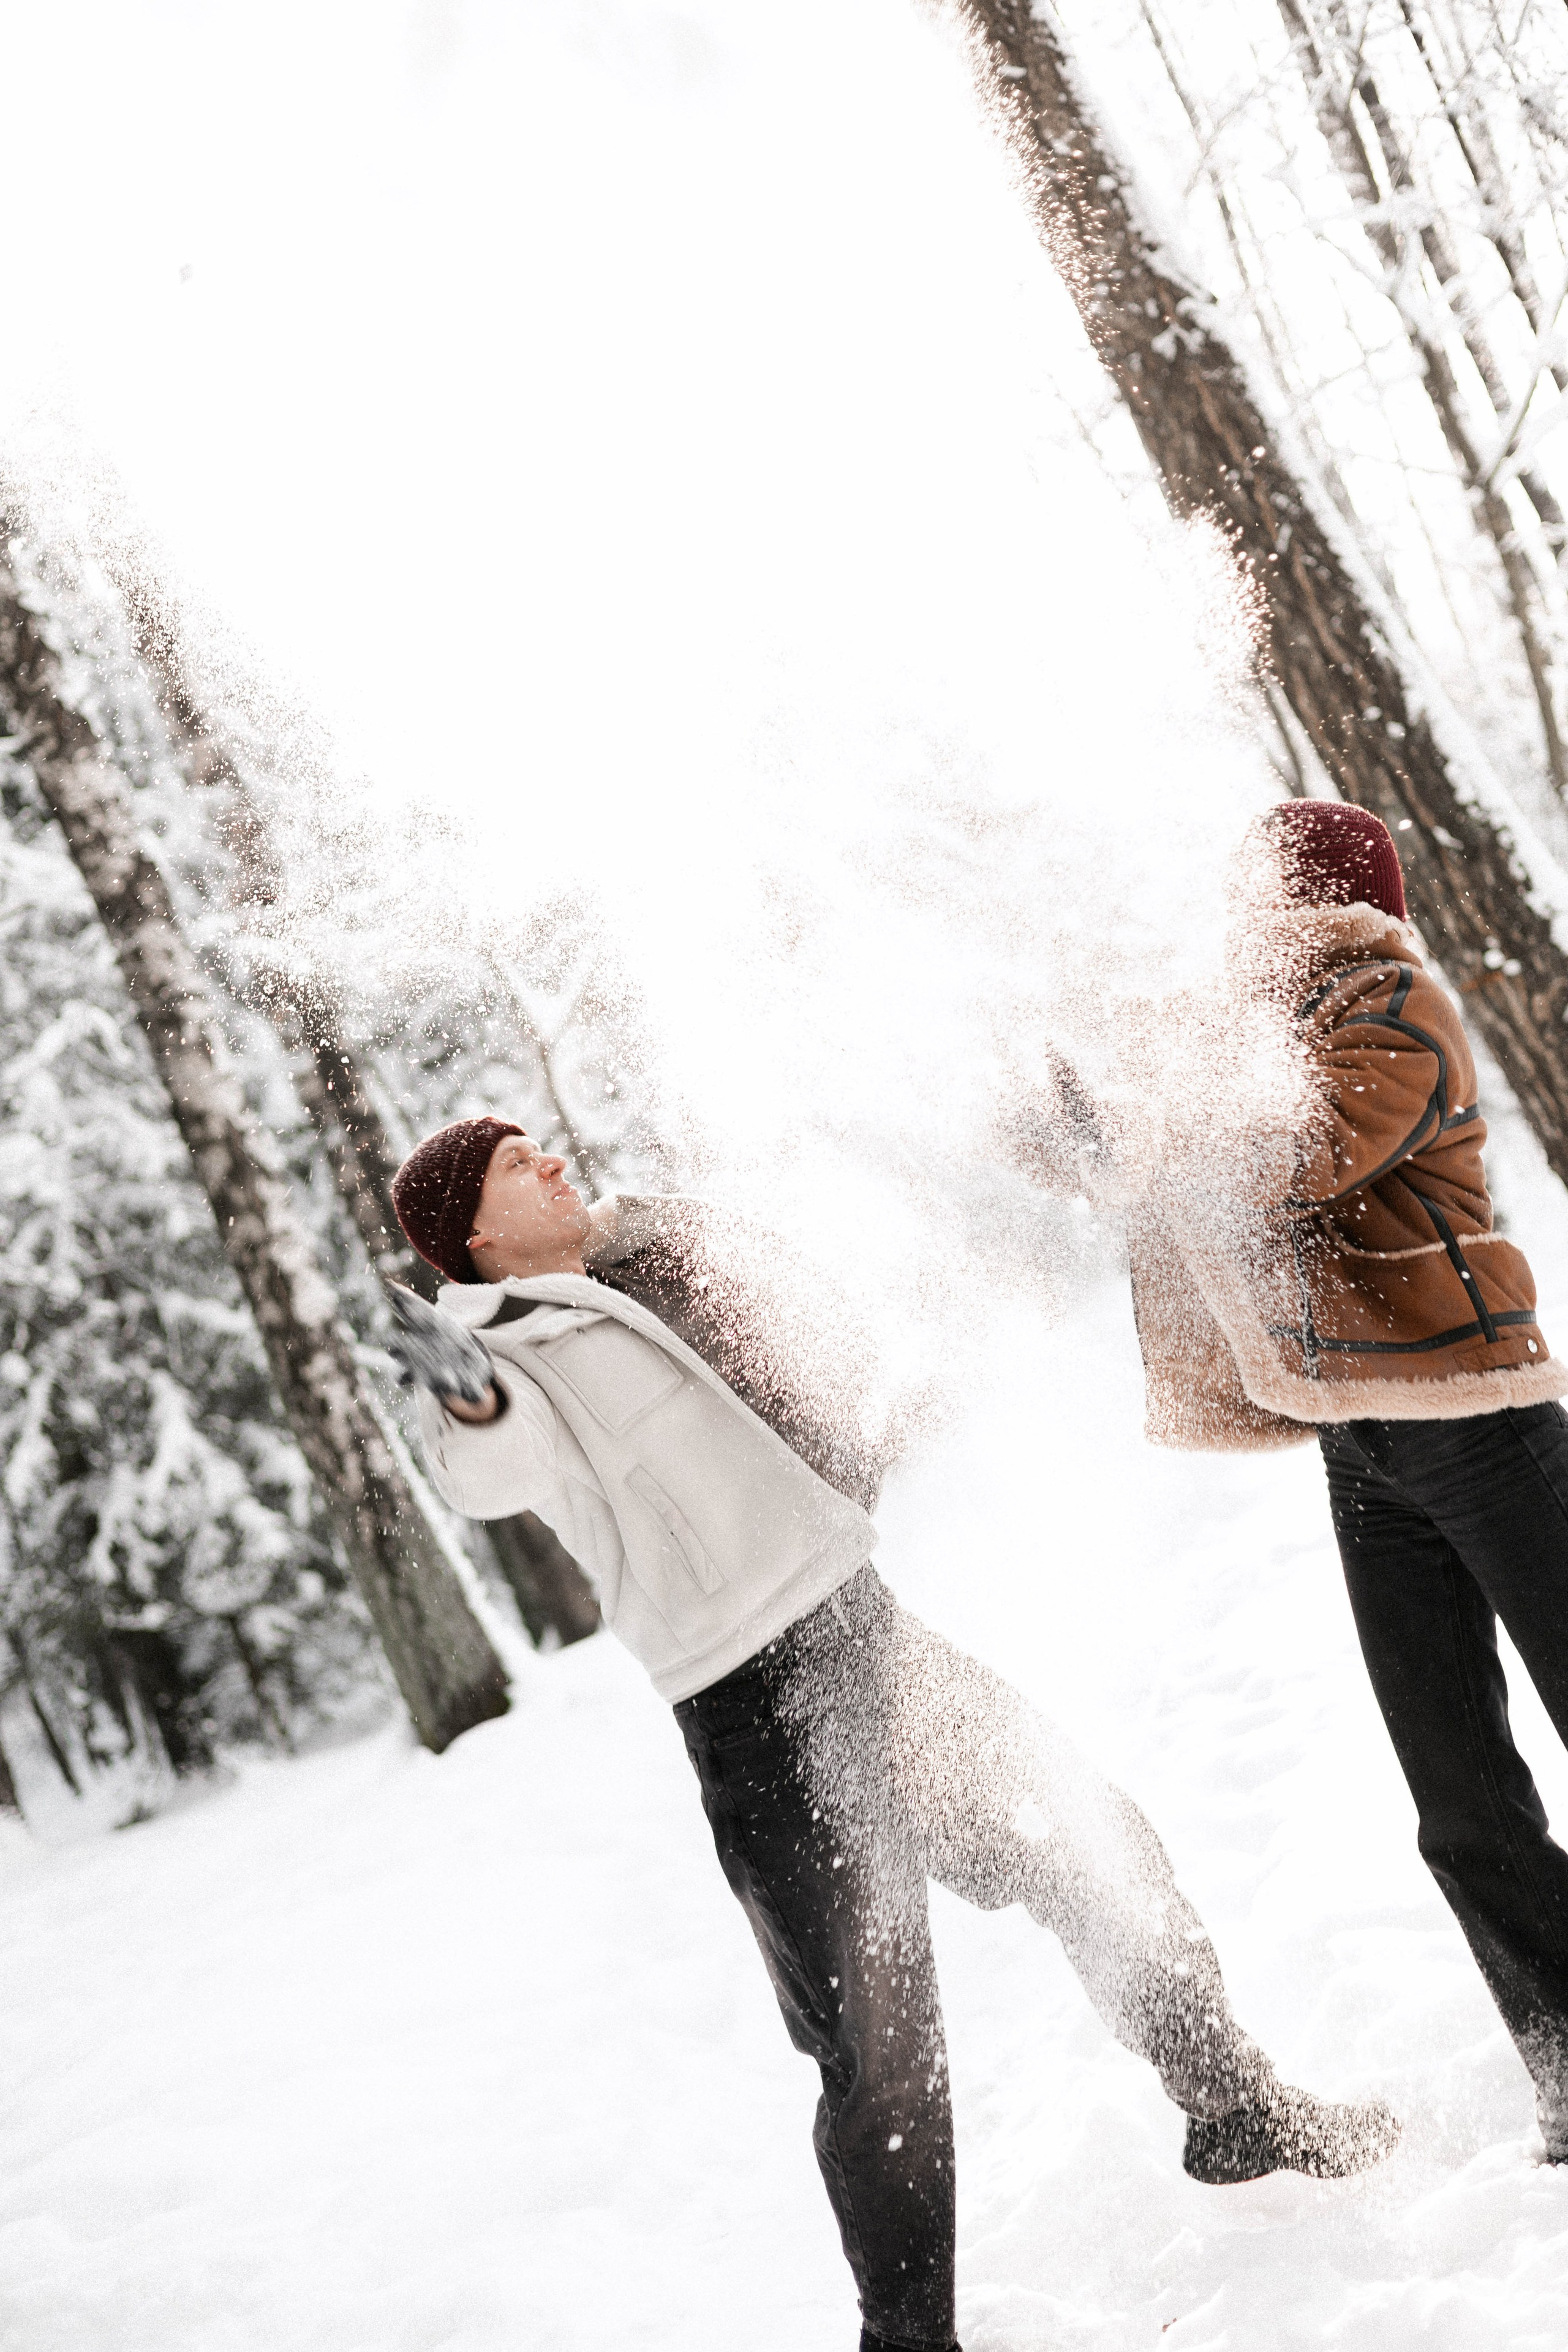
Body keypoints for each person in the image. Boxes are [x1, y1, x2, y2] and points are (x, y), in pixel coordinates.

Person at [386, 1114, 1397, 2352]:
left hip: (864, 1634)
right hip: (759, 1707)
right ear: (474, 1236)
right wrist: (469, 1399)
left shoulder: (625, 1268)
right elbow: (492, 1469)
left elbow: (790, 1325)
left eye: (539, 1144)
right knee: (879, 2047)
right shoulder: (512, 1356)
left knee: (1093, 1845)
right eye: (512, 1168)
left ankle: (1231, 2113)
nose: (548, 1160)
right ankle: (906, 2339)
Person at [1013, 797, 1568, 2160]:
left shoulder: (1391, 999)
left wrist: (1145, 1119)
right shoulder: (1235, 1037)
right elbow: (1123, 1159)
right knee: (1457, 1798)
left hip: (1480, 1423)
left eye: (1250, 890)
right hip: (1364, 1447)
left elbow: (1296, 1154)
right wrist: (1061, 1101)